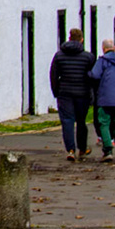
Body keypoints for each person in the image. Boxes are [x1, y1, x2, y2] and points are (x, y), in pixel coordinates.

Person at [49, 28, 96, 162]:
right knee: (81, 121)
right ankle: (82, 148)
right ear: (81, 39)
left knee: (67, 121)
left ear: (69, 38)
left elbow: (53, 74)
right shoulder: (88, 57)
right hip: (83, 93)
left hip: (65, 93)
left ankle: (70, 149)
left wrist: (56, 91)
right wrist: (91, 92)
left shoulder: (59, 55)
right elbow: (92, 76)